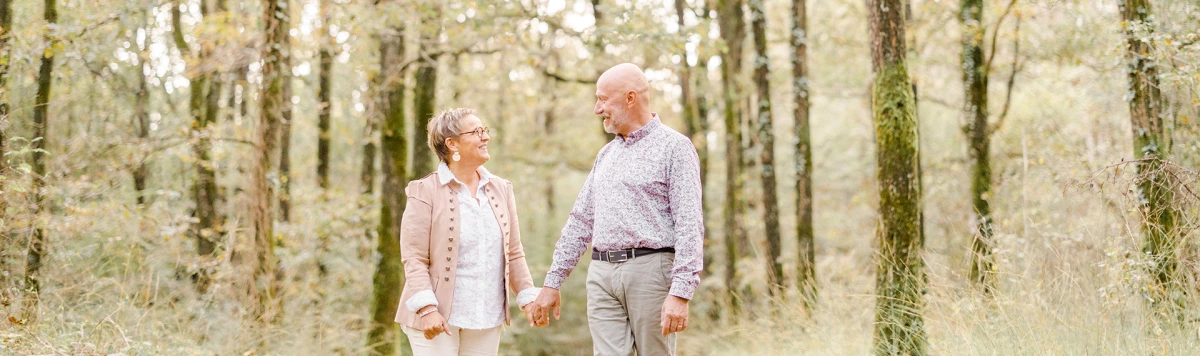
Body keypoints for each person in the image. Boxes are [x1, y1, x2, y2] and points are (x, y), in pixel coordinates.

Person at [528, 63, 705, 356]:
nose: (597, 109)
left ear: (630, 98)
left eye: (602, 99)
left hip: (651, 272)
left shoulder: (675, 147)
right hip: (601, 274)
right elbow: (581, 221)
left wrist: (681, 292)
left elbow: (689, 223)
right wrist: (552, 281)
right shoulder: (606, 154)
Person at [393, 108, 540, 355]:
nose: (486, 137)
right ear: (452, 144)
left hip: (486, 316)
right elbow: (414, 258)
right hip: (437, 318)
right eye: (477, 132)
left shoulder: (501, 188)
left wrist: (528, 298)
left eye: (485, 131)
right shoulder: (424, 191)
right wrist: (427, 310)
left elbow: (513, 253)